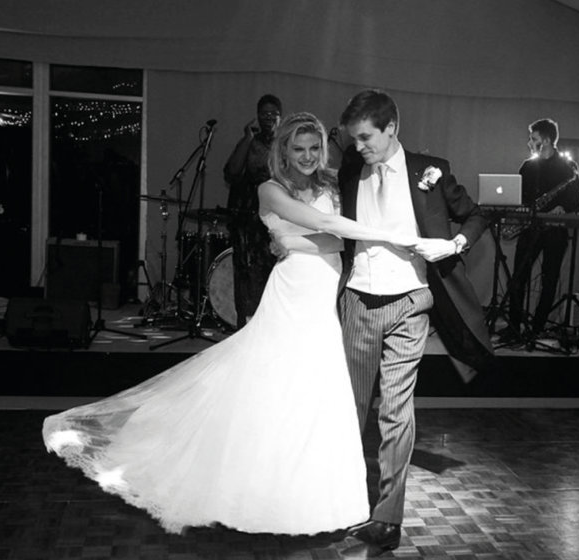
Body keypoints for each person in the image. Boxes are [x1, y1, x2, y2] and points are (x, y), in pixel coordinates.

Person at [43, 112, 423, 536]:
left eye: (314, 148)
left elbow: (335, 239)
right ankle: (262, 485)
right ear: (283, 151)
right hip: (293, 292)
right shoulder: (269, 188)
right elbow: (326, 228)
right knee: (273, 383)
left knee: (319, 389)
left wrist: (294, 240)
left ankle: (319, 494)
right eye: (298, 149)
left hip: (327, 295)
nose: (308, 156)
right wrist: (318, 239)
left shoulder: (332, 184)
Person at [334, 89, 495, 551]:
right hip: (360, 301)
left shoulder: (431, 170)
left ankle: (387, 517)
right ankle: (346, 500)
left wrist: (455, 245)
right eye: (354, 139)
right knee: (354, 408)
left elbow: (476, 216)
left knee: (396, 410)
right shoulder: (350, 167)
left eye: (367, 138)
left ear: (392, 129)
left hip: (412, 301)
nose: (359, 147)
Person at [504, 118, 579, 340]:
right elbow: (517, 196)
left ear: (546, 140)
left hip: (555, 231)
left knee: (550, 279)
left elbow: (575, 200)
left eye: (534, 138)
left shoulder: (568, 168)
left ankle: (537, 328)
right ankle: (514, 325)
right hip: (531, 228)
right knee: (518, 277)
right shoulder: (528, 167)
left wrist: (562, 207)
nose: (530, 142)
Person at [223, 94, 283, 327]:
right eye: (263, 113)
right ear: (257, 116)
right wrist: (247, 138)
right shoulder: (250, 142)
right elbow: (231, 172)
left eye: (272, 114)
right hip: (247, 220)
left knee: (273, 273)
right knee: (247, 275)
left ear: (280, 117)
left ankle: (271, 326)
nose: (267, 118)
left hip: (275, 220)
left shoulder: (285, 145)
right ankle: (246, 325)